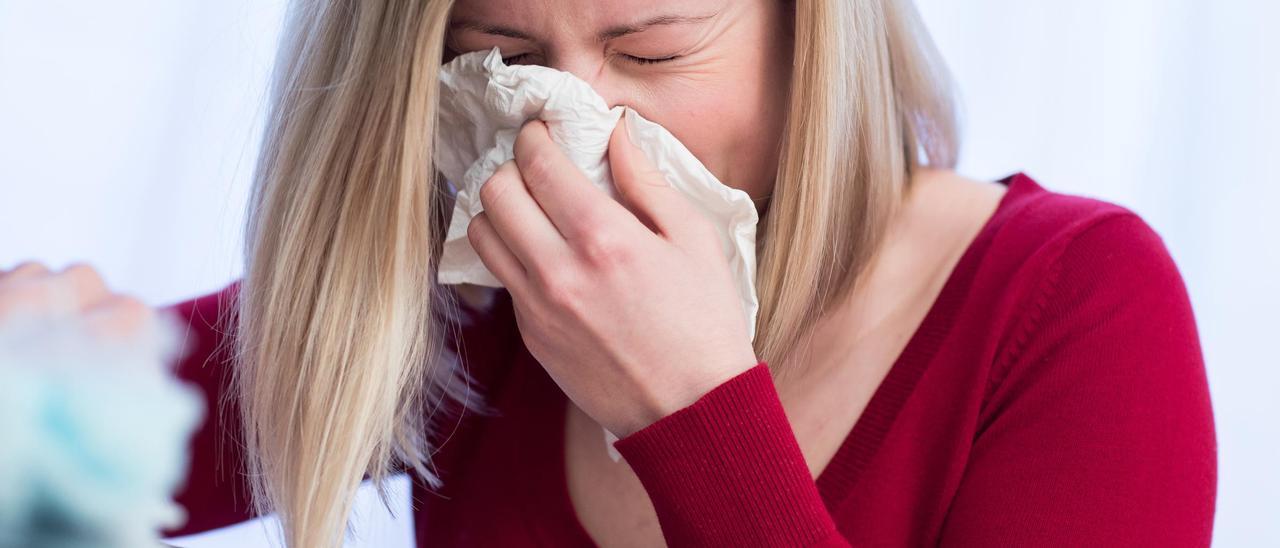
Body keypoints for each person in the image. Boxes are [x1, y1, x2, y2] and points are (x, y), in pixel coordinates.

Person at [0, 0, 1217, 546]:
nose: (572, 124)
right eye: (502, 54)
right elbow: (51, 458)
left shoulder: (1068, 304)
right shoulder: (475, 295)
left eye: (652, 45)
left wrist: (689, 413)